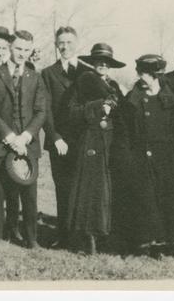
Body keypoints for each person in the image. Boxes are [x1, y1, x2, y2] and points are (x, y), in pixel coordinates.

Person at [111, 54, 174, 258]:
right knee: (144, 201)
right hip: (139, 159)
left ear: (155, 75)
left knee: (166, 200)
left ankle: (165, 243)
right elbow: (123, 134)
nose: (140, 77)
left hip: (166, 160)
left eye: (144, 74)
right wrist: (126, 161)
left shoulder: (170, 101)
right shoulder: (132, 100)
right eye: (139, 73)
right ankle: (143, 242)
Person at [0, 30, 46, 248]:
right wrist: (9, 136)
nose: (22, 54)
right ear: (10, 47)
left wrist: (26, 136)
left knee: (29, 194)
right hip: (2, 142)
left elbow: (41, 111)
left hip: (28, 143)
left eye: (27, 50)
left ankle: (31, 238)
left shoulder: (35, 77)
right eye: (18, 48)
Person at [66, 43, 125, 254]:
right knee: (90, 190)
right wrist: (99, 106)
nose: (103, 65)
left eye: (106, 62)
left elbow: (122, 114)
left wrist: (115, 107)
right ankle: (88, 237)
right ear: (92, 63)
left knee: (108, 190)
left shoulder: (116, 87)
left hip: (110, 141)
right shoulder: (83, 82)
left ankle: (107, 236)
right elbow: (72, 112)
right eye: (99, 61)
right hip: (90, 140)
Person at [41, 26, 88, 249]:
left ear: (77, 43)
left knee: (83, 188)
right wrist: (55, 137)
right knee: (63, 188)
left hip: (83, 141)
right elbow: (45, 110)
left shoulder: (87, 71)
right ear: (56, 45)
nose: (65, 47)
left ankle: (83, 237)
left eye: (69, 42)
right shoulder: (48, 73)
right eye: (61, 42)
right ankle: (64, 236)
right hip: (59, 140)